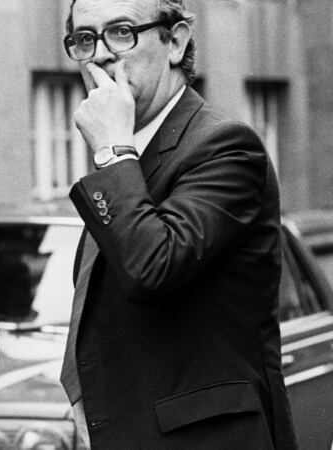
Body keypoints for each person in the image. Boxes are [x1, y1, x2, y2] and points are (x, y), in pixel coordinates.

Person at [59, 0, 298, 448]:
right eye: (86, 38)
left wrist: (112, 151)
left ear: (176, 42)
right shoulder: (128, 159)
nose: (102, 54)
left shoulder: (225, 146)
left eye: (122, 32)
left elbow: (153, 267)